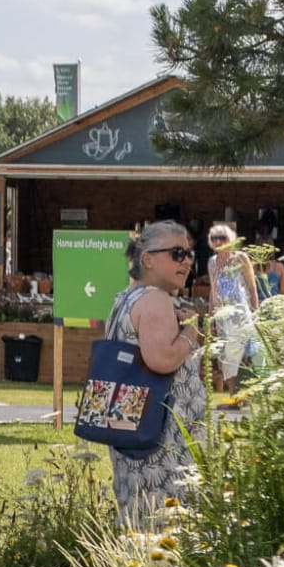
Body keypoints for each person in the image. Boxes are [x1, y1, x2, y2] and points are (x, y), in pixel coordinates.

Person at [106, 221, 205, 528]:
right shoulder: (155, 299)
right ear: (147, 258)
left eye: (189, 253)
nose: (187, 261)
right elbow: (162, 359)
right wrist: (192, 332)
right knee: (171, 527)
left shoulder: (125, 298)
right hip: (163, 442)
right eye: (177, 253)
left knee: (138, 520)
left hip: (132, 430)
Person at [205, 223, 261, 396]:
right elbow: (213, 290)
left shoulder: (240, 257)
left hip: (241, 314)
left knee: (245, 355)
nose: (218, 241)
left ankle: (245, 396)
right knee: (227, 358)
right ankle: (234, 397)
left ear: (230, 239)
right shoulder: (212, 262)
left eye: (222, 237)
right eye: (214, 238)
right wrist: (210, 316)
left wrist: (256, 313)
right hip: (222, 317)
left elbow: (252, 287)